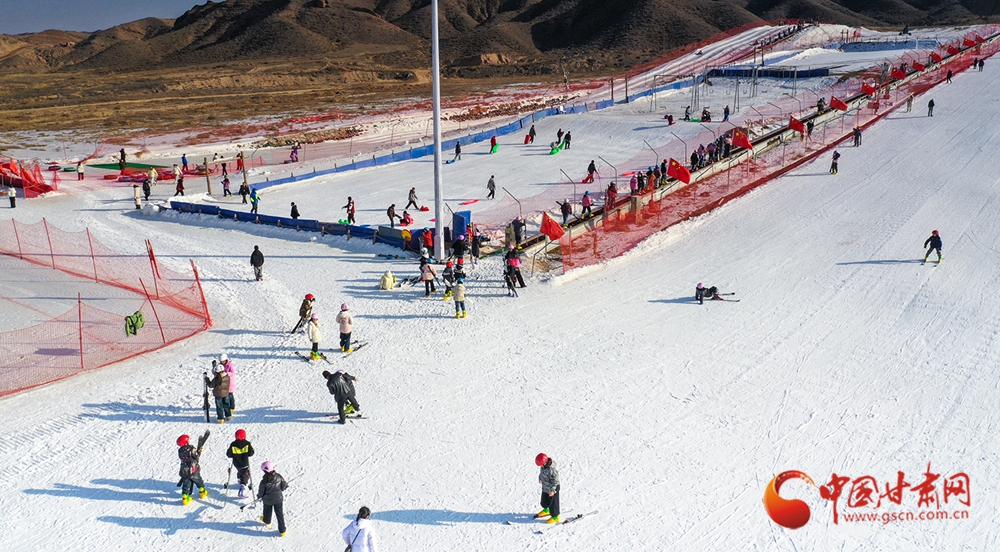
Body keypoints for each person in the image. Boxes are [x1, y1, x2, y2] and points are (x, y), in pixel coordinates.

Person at [257, 461, 288, 536]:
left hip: (267, 500)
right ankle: (282, 531)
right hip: (278, 499)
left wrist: (259, 496)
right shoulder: (279, 477)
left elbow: (261, 492)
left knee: (267, 511)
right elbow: (283, 487)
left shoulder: (263, 482)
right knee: (279, 514)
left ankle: (267, 521)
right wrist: (285, 485)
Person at [177, 434, 207, 505]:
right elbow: (196, 456)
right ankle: (202, 492)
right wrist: (199, 451)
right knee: (199, 481)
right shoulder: (191, 448)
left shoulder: (180, 451)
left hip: (184, 471)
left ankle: (185, 498)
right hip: (193, 470)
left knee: (186, 484)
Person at [226, 429, 255, 498]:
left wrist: (233, 454)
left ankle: (240, 479)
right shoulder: (247, 444)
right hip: (245, 463)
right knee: (245, 474)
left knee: (240, 471)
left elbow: (229, 454)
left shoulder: (233, 444)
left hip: (237, 463)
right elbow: (251, 453)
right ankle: (243, 486)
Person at [535, 453, 561, 524]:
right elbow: (542, 473)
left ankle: (556, 516)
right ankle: (547, 510)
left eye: (541, 465)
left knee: (553, 503)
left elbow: (555, 480)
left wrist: (552, 490)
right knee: (544, 500)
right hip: (545, 487)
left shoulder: (551, 469)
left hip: (553, 488)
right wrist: (540, 478)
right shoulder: (543, 467)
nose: (540, 467)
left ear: (544, 463)